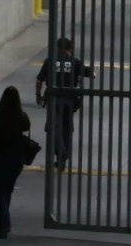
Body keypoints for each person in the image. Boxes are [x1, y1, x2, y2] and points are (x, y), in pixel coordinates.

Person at [35, 37, 95, 170]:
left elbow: (39, 81)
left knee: (53, 128)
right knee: (67, 128)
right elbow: (93, 74)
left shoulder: (50, 61)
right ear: (70, 48)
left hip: (54, 99)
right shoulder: (75, 62)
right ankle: (63, 158)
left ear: (57, 47)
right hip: (70, 101)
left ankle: (61, 154)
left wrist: (38, 95)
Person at [0, 86, 30, 238]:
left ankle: (4, 224)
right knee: (7, 190)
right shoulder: (21, 115)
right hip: (16, 157)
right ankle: (0, 222)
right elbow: (27, 127)